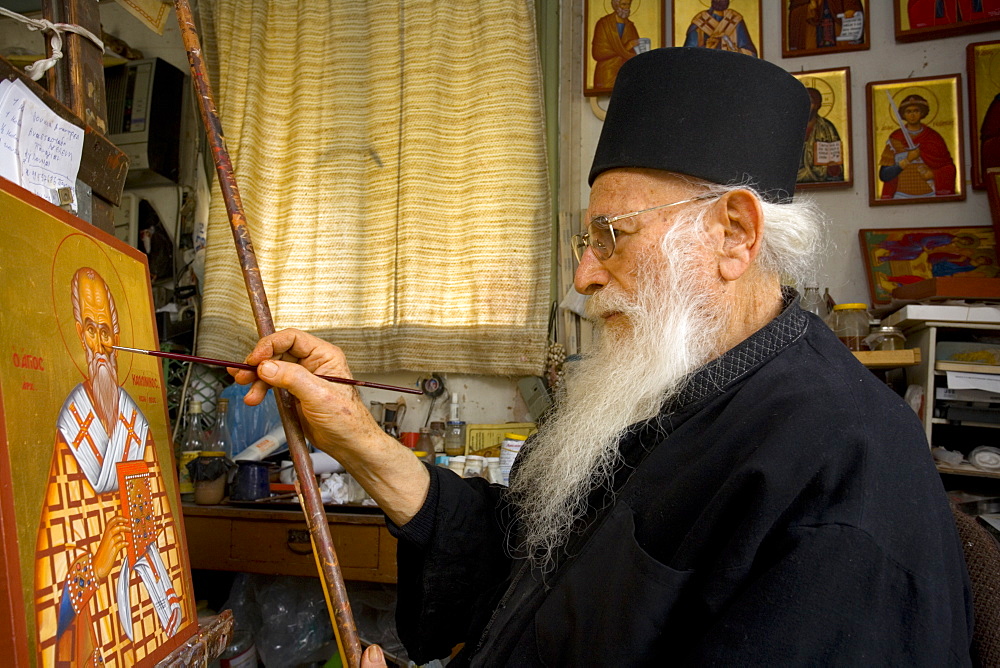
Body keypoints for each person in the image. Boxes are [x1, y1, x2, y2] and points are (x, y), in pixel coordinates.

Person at [232, 48, 973, 665]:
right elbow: (526, 561)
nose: (584, 276)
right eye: (587, 243)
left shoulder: (843, 471)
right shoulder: (672, 383)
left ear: (733, 234)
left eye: (611, 236)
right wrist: (356, 436)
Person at [34, 267, 183, 666]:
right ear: (79, 335)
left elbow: (164, 539)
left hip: (142, 625)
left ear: (117, 337)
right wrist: (96, 568)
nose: (99, 345)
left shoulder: (138, 427)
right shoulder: (70, 429)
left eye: (106, 331)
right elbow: (49, 607)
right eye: (89, 329)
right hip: (95, 642)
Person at [879, 93, 958, 199]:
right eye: (908, 111)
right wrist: (907, 160)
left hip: (930, 194)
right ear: (903, 114)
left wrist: (933, 174)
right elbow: (884, 175)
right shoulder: (895, 139)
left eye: (916, 111)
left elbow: (949, 168)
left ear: (922, 112)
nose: (912, 115)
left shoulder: (933, 138)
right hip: (900, 196)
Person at [591, 0, 641, 90]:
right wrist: (625, 47)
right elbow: (598, 53)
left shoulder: (630, 26)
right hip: (607, 73)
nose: (627, 8)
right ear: (616, 5)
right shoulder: (603, 24)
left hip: (626, 73)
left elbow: (636, 53)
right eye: (624, 4)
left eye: (628, 4)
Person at [798, 87, 845, 183]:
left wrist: (833, 169)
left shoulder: (827, 128)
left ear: (818, 105)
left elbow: (836, 160)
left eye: (810, 102)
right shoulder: (790, 128)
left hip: (819, 175)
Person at [683, 0, 757, 57]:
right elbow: (688, 54)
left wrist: (732, 47)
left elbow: (751, 54)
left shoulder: (735, 19)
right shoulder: (700, 21)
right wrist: (708, 46)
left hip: (731, 69)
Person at [786, 0, 864, 51]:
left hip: (839, 37)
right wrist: (809, 8)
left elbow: (852, 5)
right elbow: (795, 13)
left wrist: (851, 10)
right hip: (811, 40)